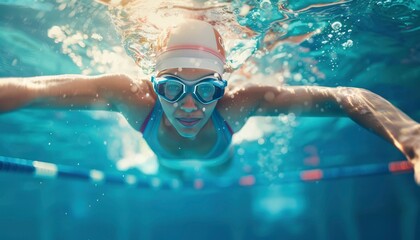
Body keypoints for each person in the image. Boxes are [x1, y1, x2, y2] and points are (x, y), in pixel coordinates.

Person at [0, 19, 419, 182]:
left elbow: (348, 97)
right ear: (152, 84)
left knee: (217, 172)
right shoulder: (130, 97)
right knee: (170, 171)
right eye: (170, 88)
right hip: (164, 160)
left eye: (206, 91)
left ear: (222, 89)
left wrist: (413, 141)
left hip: (223, 162)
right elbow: (33, 89)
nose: (188, 106)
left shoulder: (239, 103)